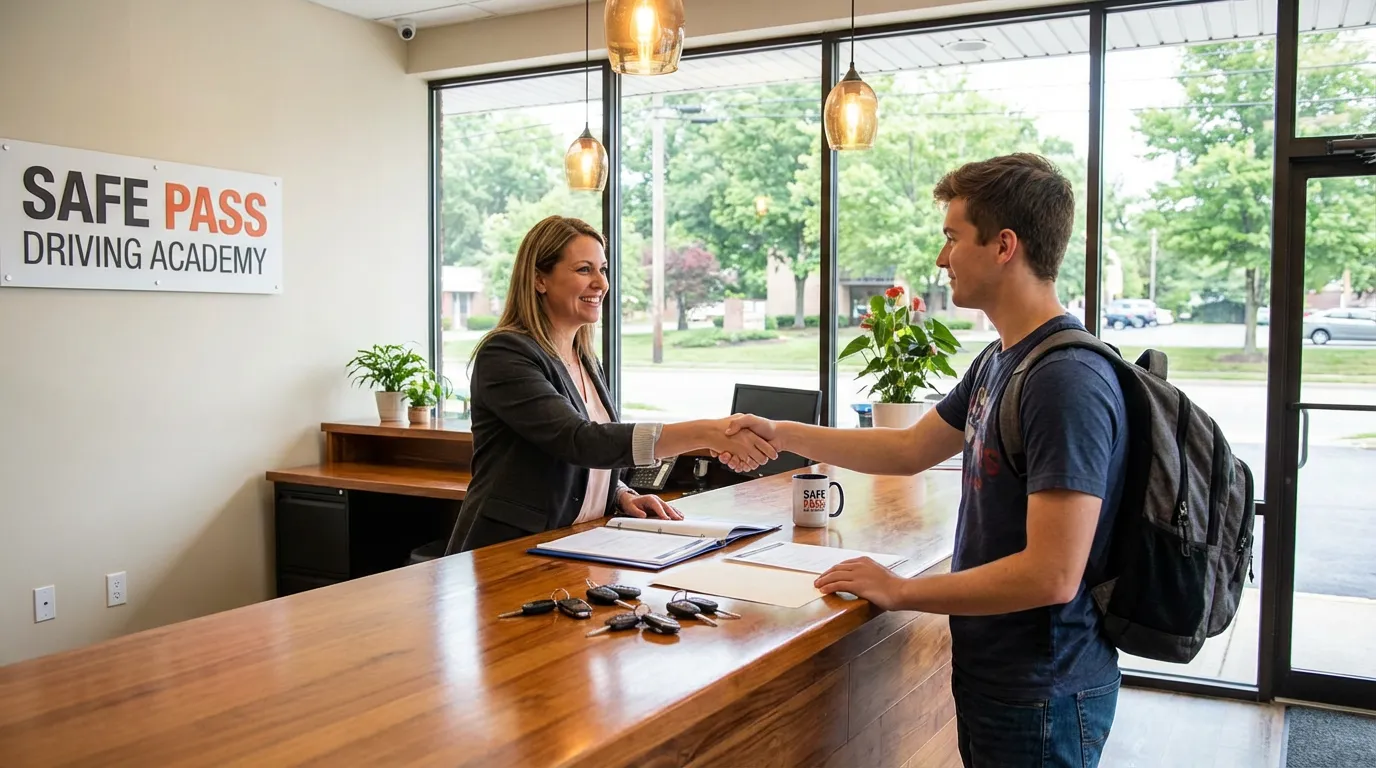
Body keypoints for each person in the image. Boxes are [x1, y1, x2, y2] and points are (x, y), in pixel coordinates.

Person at [721, 154, 1128, 767]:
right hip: (1000, 673)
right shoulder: (1000, 360)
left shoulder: (1064, 379)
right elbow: (907, 448)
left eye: (952, 237)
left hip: (1043, 685)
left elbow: (1052, 574)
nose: (941, 258)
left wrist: (902, 590)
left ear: (1004, 246)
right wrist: (782, 432)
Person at [445, 215, 777, 554]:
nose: (601, 283)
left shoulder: (584, 358)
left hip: (570, 545)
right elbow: (580, 441)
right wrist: (707, 432)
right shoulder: (505, 354)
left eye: (602, 270)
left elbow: (576, 460)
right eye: (584, 269)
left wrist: (620, 493)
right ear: (539, 279)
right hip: (505, 552)